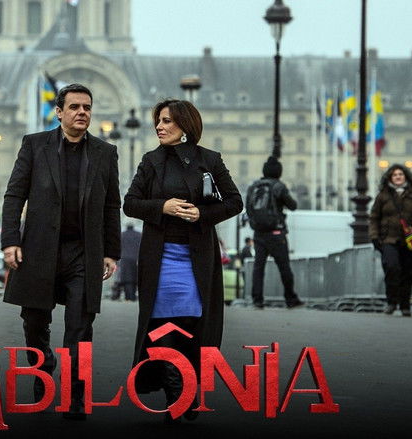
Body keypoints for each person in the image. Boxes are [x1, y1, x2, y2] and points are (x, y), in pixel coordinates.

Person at [1, 83, 121, 420]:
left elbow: (112, 204)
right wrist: (10, 241)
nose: (82, 112)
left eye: (87, 107)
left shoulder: (105, 152)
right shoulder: (34, 145)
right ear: (59, 112)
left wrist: (111, 251)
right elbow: (14, 195)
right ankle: (43, 369)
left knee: (80, 327)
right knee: (34, 322)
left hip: (83, 252)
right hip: (39, 250)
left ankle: (74, 396)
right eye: (74, 107)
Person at [123, 98, 242, 424]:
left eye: (166, 121)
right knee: (163, 326)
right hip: (161, 257)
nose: (159, 127)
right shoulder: (151, 161)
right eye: (158, 121)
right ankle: (177, 395)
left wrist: (202, 213)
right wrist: (162, 207)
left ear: (185, 125)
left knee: (190, 324)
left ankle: (184, 389)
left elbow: (234, 202)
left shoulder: (209, 160)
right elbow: (130, 203)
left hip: (195, 258)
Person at [369, 164, 412, 316]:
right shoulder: (383, 196)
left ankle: (405, 304)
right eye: (394, 175)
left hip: (410, 239)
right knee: (391, 267)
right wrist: (374, 236)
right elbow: (374, 218)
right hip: (389, 239)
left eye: (400, 174)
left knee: (408, 271)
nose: (398, 177)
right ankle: (391, 302)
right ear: (390, 178)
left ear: (406, 177)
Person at [246, 156, 304, 309]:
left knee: (258, 268)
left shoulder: (254, 187)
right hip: (276, 233)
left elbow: (248, 209)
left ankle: (257, 300)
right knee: (284, 267)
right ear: (279, 172)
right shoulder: (278, 186)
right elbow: (292, 205)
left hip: (259, 233)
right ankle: (290, 298)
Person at [118, 224, 142, 302]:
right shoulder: (139, 235)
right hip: (136, 258)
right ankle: (133, 296)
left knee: (126, 278)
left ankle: (128, 296)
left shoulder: (122, 235)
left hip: (124, 258)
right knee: (135, 278)